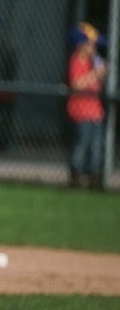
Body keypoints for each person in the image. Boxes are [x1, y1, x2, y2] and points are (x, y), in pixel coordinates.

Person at [66, 22, 107, 190]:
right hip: (82, 112)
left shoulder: (93, 63)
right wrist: (94, 75)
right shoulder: (77, 61)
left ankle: (94, 176)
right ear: (81, 45)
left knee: (96, 146)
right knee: (81, 145)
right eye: (91, 45)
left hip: (96, 112)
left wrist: (102, 74)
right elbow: (76, 84)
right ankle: (76, 176)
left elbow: (99, 85)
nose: (94, 48)